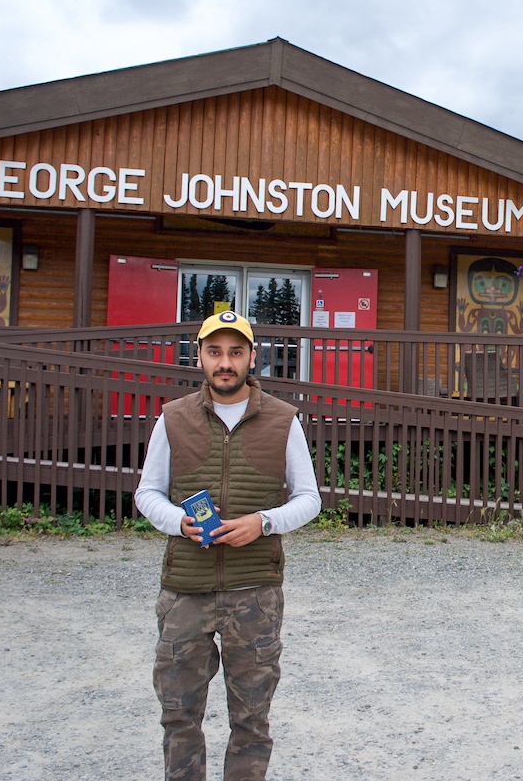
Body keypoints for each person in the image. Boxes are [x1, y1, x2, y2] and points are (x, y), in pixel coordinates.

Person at [135, 310, 321, 781]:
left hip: (254, 592)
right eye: (215, 351)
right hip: (185, 592)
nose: (225, 362)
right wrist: (179, 522)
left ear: (252, 358)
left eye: (236, 352)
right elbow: (147, 493)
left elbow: (309, 500)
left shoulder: (283, 420)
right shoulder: (172, 419)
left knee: (251, 721)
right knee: (179, 717)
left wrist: (263, 522)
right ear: (198, 356)